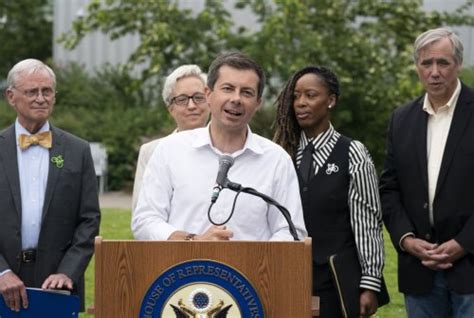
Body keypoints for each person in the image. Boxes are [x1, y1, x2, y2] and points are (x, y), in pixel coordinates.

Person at [132, 52, 307, 241]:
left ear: (258, 103)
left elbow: (290, 230)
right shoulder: (170, 150)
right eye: (228, 88)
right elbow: (145, 220)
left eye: (247, 92)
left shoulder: (276, 160)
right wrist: (193, 241)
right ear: (208, 94)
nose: (236, 99)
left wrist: (257, 261)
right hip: (181, 268)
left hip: (251, 270)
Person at [274, 66, 384, 317]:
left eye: (310, 95)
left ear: (331, 100)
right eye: (296, 96)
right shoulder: (282, 155)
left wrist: (370, 283)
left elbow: (367, 222)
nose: (301, 103)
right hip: (288, 274)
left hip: (337, 278)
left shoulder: (353, 153)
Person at [379, 27, 474, 317]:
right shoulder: (401, 120)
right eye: (426, 63)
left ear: (458, 64)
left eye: (443, 63)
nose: (434, 72)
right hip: (419, 271)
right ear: (417, 67)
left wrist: (463, 243)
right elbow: (389, 188)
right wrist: (407, 240)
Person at [0, 59, 100, 312]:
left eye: (47, 91)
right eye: (32, 92)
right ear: (11, 97)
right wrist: (1, 272)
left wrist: (68, 272)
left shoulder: (78, 150)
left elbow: (89, 219)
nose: (41, 98)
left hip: (57, 285)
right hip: (3, 281)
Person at [131, 64, 210, 212]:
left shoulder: (228, 148)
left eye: (199, 97)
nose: (192, 106)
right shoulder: (151, 152)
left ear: (210, 102)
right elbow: (140, 212)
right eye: (182, 99)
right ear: (170, 108)